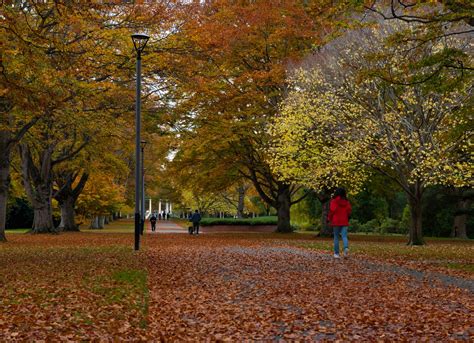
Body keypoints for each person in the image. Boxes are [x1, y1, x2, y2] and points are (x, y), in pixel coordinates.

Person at [328, 187, 351, 258]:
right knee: (344, 236)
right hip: (344, 221)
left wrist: (329, 218)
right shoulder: (347, 202)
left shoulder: (334, 201)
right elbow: (349, 211)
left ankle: (336, 254)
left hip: (336, 221)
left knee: (336, 237)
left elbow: (332, 211)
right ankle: (346, 248)